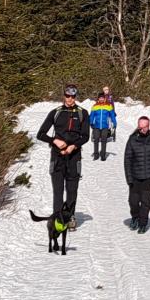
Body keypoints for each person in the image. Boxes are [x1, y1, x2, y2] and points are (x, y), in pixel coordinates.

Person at [36, 85, 92, 227]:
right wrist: (54, 140)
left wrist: (74, 146)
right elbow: (40, 134)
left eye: (73, 97)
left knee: (72, 189)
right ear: (64, 96)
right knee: (58, 190)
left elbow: (85, 136)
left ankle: (70, 216)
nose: (70, 99)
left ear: (76, 97)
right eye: (68, 96)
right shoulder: (55, 112)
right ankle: (58, 218)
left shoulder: (83, 113)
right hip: (57, 157)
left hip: (74, 157)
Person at [121, 114, 150, 232]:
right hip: (135, 176)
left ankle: (143, 223)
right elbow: (127, 160)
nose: (142, 129)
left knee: (145, 200)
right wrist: (129, 178)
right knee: (133, 201)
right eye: (140, 127)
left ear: (149, 126)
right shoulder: (132, 139)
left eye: (145, 127)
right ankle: (135, 217)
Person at [88, 86, 117, 162]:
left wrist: (114, 123)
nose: (101, 99)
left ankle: (103, 155)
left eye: (102, 98)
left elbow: (112, 115)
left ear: (104, 98)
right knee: (96, 140)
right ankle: (96, 155)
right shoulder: (95, 106)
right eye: (100, 98)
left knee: (104, 140)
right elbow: (92, 115)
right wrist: (91, 123)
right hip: (96, 126)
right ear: (98, 99)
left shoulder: (108, 106)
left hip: (105, 126)